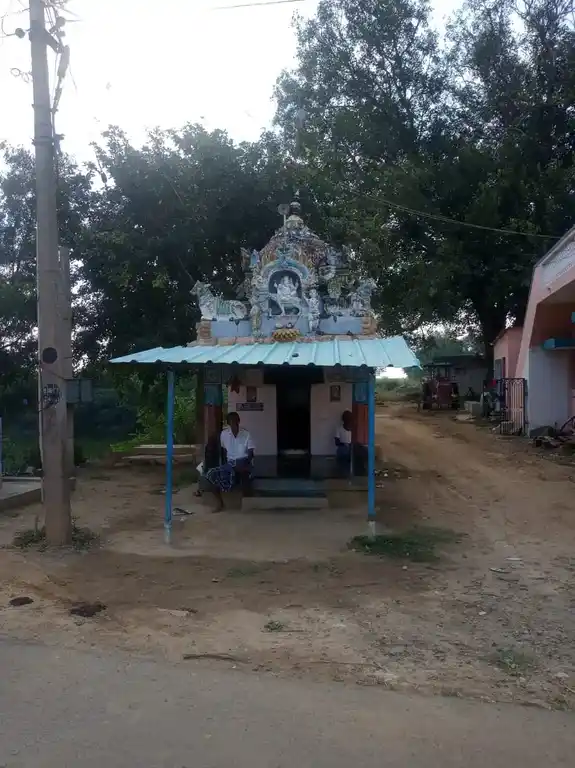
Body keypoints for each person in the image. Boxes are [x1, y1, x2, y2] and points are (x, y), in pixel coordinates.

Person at [205, 412, 255, 512]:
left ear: (239, 421)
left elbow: (250, 453)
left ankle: (248, 503)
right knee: (211, 476)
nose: (234, 424)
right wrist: (224, 464)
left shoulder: (246, 434)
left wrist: (244, 462)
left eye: (236, 421)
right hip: (230, 464)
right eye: (231, 422)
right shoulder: (224, 434)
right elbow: (224, 451)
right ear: (228, 423)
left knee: (245, 475)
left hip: (243, 462)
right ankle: (220, 503)